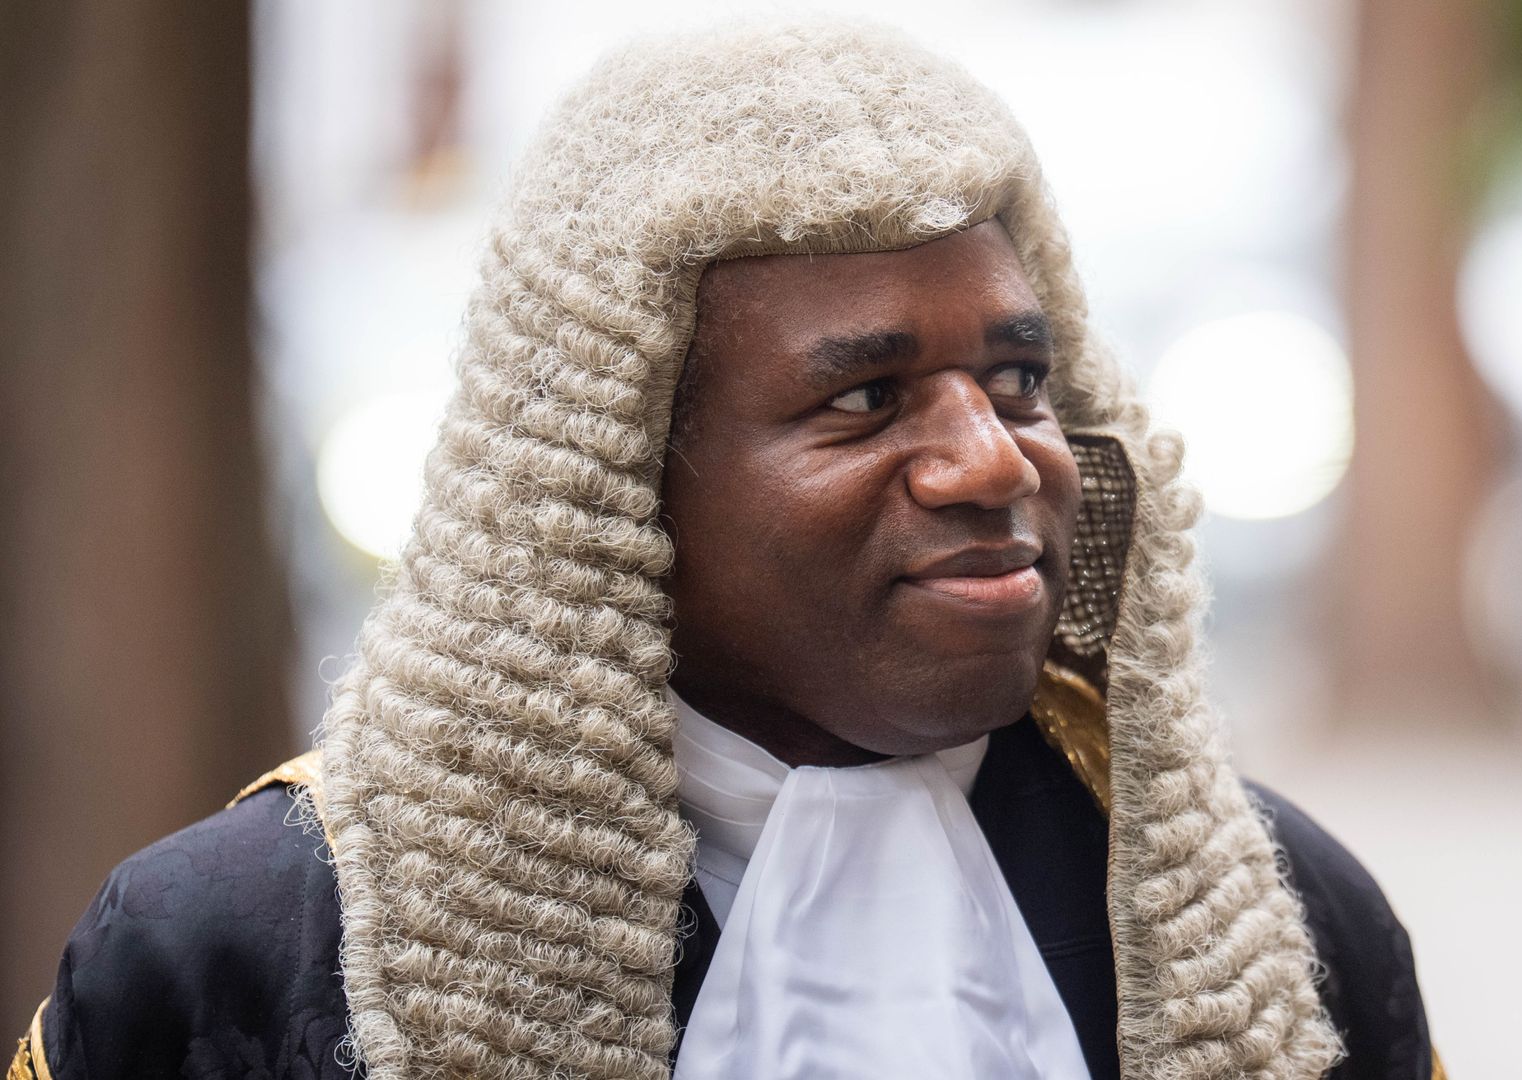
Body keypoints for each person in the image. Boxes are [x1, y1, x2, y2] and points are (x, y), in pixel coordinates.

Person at [10, 20, 1438, 1080]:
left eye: (1017, 380)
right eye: (866, 399)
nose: (998, 459)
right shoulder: (237, 958)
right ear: (616, 483)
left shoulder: (1271, 921)